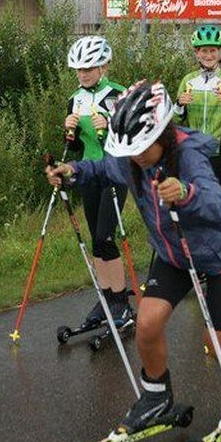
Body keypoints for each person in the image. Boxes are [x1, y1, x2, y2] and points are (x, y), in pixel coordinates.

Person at [44, 81, 221, 431]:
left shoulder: (189, 157)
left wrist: (185, 193)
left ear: (162, 134)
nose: (137, 156)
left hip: (220, 255)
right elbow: (103, 168)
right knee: (146, 325)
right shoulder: (132, 160)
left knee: (216, 344)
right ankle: (157, 397)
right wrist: (73, 172)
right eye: (131, 150)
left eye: (144, 147)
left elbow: (217, 205)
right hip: (173, 253)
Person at [63, 35, 134, 333]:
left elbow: (135, 135)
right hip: (89, 171)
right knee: (95, 239)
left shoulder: (120, 94)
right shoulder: (74, 98)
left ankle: (121, 303)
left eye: (89, 67)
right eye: (79, 69)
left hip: (116, 170)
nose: (84, 73)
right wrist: (70, 132)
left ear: (103, 65)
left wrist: (112, 123)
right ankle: (105, 299)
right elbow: (77, 147)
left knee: (106, 237)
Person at [175, 25, 221, 191]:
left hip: (218, 152)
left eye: (213, 50)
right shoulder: (188, 81)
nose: (208, 55)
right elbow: (174, 119)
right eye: (204, 51)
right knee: (193, 198)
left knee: (217, 198)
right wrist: (178, 105)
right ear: (197, 53)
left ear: (220, 52)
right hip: (192, 151)